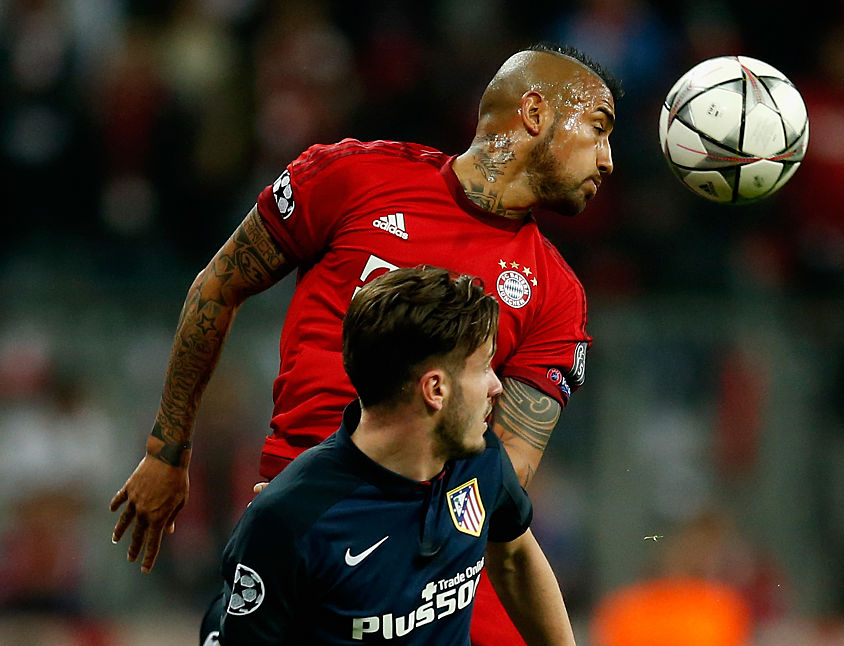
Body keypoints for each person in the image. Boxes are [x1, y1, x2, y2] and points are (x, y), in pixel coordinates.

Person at [111, 42, 620, 645]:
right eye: (598, 129)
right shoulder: (352, 177)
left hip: (430, 560)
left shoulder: (556, 295)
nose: (608, 160)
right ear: (534, 114)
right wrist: (167, 449)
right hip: (298, 532)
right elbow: (219, 286)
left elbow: (500, 483)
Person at [199, 266, 575, 645]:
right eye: (483, 368)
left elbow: (515, 560)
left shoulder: (480, 460)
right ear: (435, 389)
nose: (496, 386)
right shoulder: (290, 519)